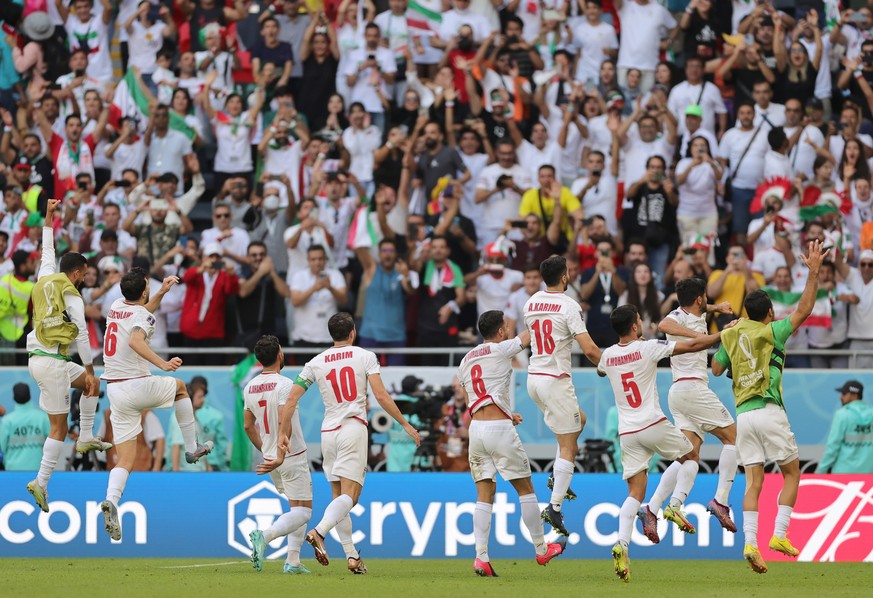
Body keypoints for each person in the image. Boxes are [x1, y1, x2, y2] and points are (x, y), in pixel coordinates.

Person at [712, 240, 829, 574]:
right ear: (769, 313)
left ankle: (750, 543)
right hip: (769, 408)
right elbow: (804, 309)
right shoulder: (772, 331)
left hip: (744, 415)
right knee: (791, 473)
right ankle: (779, 534)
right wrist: (813, 273)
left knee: (753, 483)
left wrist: (730, 338)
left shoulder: (731, 335)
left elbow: (717, 370)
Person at [272, 313, 421, 572]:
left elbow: (292, 399)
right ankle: (319, 532)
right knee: (351, 497)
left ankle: (352, 556)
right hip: (353, 428)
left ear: (332, 335)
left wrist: (282, 433)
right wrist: (405, 423)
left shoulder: (315, 362)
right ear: (352, 332)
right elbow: (381, 395)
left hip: (328, 432)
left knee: (338, 498)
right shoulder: (365, 356)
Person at [598, 304, 722, 582]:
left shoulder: (607, 356)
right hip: (652, 423)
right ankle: (675, 505)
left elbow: (600, 371)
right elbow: (691, 346)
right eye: (640, 319)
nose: (642, 322)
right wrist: (721, 336)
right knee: (690, 457)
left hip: (627, 433)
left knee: (635, 491)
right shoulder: (648, 348)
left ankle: (622, 543)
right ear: (633, 326)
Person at [98, 267, 213, 541]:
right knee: (181, 388)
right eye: (150, 286)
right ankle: (192, 448)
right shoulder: (142, 317)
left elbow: (142, 313)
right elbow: (136, 338)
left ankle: (111, 500)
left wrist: (161, 291)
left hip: (115, 390)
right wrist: (163, 364)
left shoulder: (117, 306)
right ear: (144, 290)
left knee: (125, 459)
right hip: (136, 382)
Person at [457, 310, 565, 577]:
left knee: (484, 495)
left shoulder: (466, 359)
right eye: (506, 326)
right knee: (525, 489)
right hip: (499, 431)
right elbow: (530, 335)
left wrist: (506, 412)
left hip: (477, 429)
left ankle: (481, 557)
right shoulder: (503, 348)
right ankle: (541, 550)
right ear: (501, 331)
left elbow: (479, 396)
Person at [25, 199, 106, 513]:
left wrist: (49, 216)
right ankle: (41, 482)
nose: (86, 278)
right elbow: (83, 335)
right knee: (58, 428)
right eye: (85, 273)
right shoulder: (72, 294)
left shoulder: (45, 277)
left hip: (41, 359)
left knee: (92, 387)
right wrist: (89, 367)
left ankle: (85, 436)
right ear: (76, 273)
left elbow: (48, 251)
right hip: (53, 365)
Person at [648, 278, 738, 536]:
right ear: (699, 298)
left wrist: (717, 307)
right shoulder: (677, 318)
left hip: (678, 391)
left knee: (690, 456)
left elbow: (697, 311)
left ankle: (659, 506)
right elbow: (664, 324)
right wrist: (702, 336)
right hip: (693, 389)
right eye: (706, 298)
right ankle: (721, 500)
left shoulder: (694, 311)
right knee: (734, 439)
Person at [524, 255, 602, 537]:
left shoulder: (531, 301)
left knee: (579, 420)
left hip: (534, 378)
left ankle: (559, 475)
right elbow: (590, 350)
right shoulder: (569, 305)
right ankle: (554, 507)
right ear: (565, 277)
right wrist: (608, 366)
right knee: (569, 447)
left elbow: (530, 336)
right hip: (556, 380)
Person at [243, 335, 313, 575]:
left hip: (270, 457)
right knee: (304, 511)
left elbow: (247, 426)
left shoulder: (249, 386)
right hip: (289, 454)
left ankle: (292, 561)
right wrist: (282, 450)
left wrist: (265, 449)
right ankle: (266, 535)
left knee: (295, 508)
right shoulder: (284, 384)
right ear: (280, 355)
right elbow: (285, 418)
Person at [816, 381, 873, 474]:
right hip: (869, 476)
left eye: (844, 394)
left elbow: (832, 447)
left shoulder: (842, 414)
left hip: (843, 475)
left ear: (854, 395)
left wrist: (819, 472)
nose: (840, 397)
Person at [0, 383, 50, 471]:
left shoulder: (7, 421)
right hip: (39, 470)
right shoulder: (43, 418)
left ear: (14, 398)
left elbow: (3, 447)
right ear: (30, 396)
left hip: (13, 470)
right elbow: (51, 443)